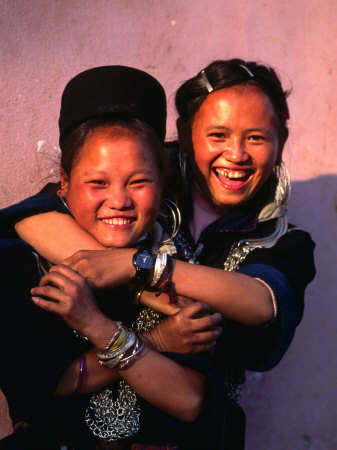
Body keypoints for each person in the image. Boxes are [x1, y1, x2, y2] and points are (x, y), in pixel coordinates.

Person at [1, 59, 316, 447]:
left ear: (281, 140)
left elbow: (260, 313)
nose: (236, 154)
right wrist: (147, 296)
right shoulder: (145, 208)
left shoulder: (281, 242)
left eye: (256, 138)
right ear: (184, 134)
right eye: (218, 134)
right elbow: (29, 219)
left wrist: (140, 267)